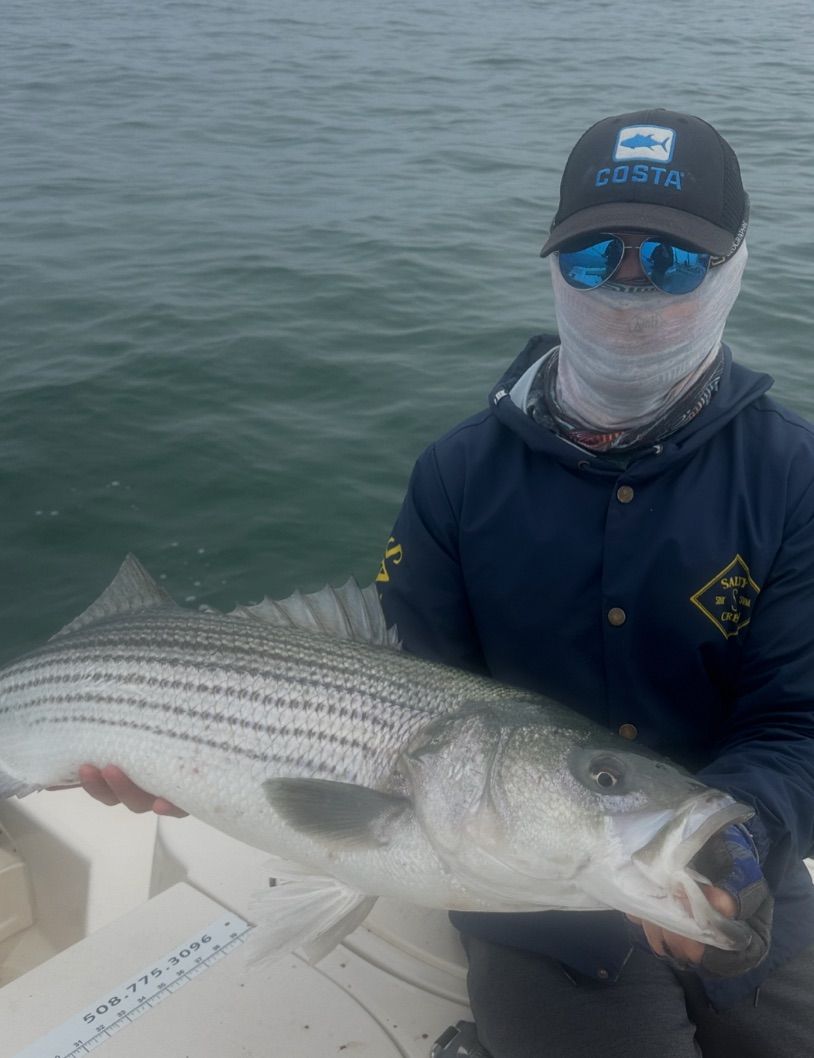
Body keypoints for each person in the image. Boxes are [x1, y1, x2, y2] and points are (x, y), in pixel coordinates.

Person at [78, 109, 814, 1057]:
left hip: (732, 858)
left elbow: (799, 718)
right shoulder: (457, 475)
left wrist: (743, 837)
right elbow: (396, 688)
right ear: (556, 265)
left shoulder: (794, 479)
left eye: (671, 261)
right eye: (598, 256)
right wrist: (180, 755)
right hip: (518, 905)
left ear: (733, 267)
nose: (629, 288)